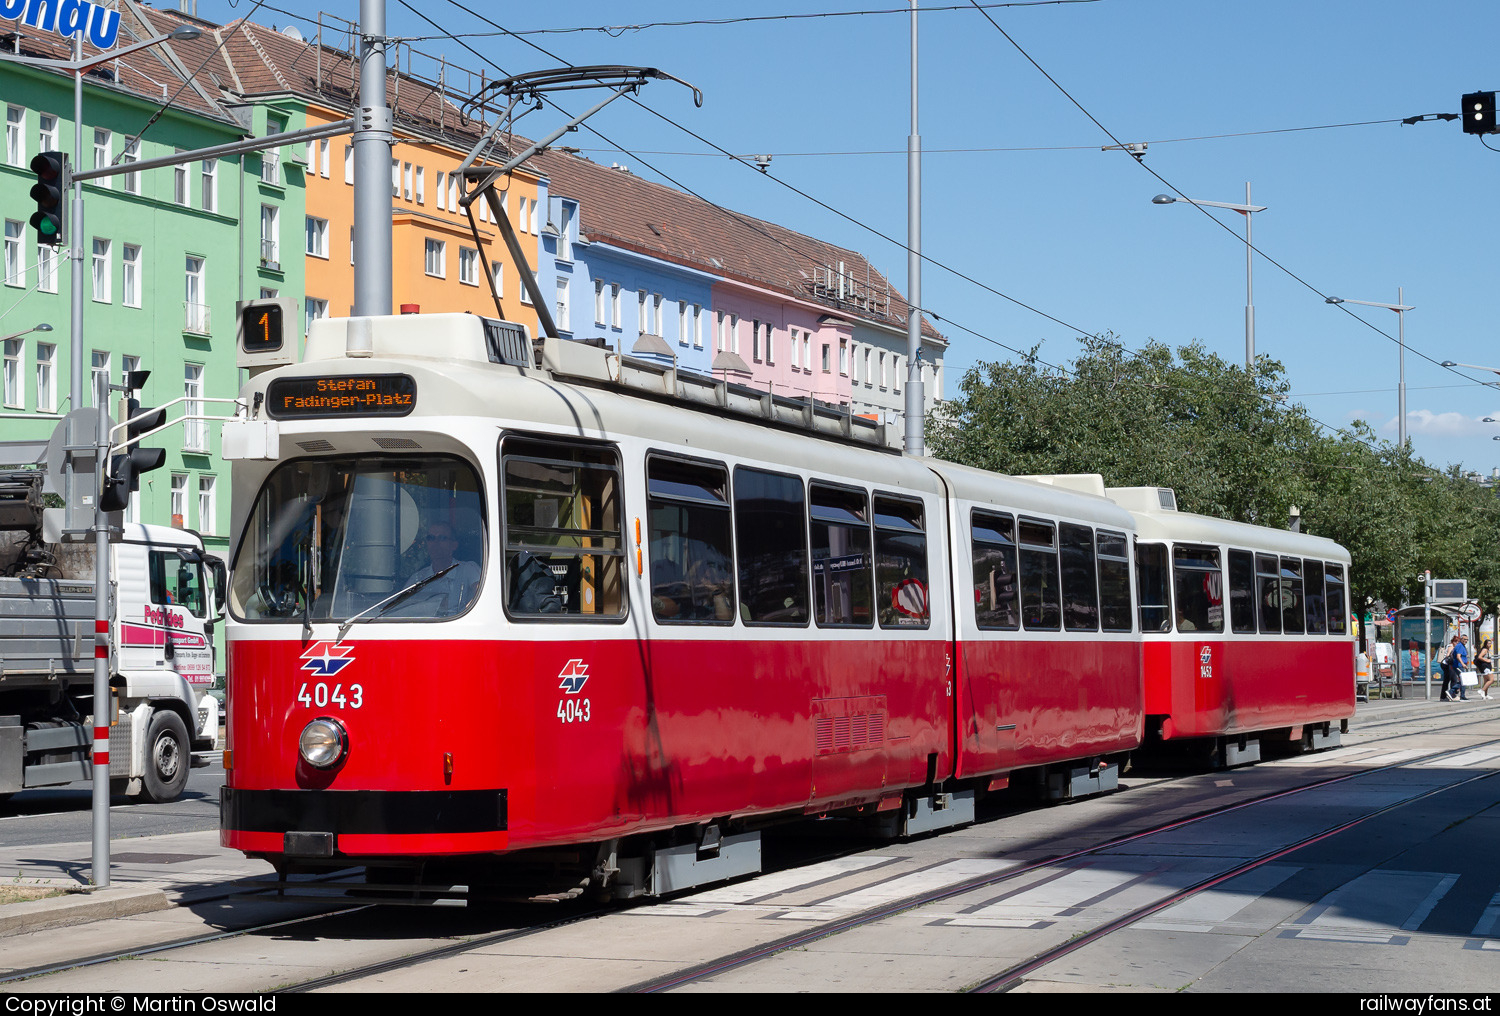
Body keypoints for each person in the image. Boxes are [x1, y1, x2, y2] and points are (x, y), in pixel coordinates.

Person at [406, 522, 481, 617]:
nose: (435, 543)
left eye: (442, 538)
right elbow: (401, 607)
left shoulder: (468, 569)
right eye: (431, 538)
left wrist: (466, 612)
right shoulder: (418, 578)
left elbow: (483, 596)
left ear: (454, 545)